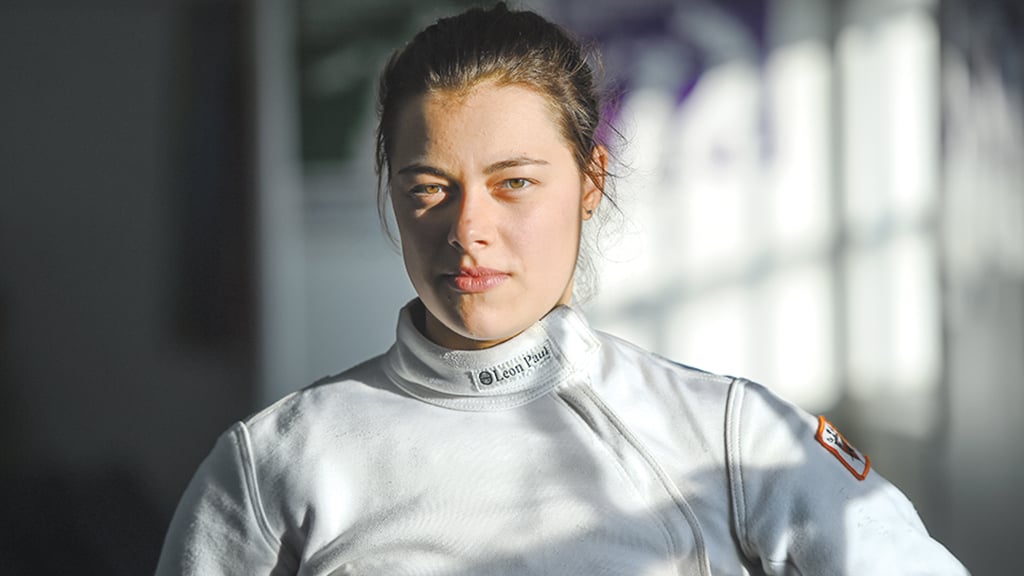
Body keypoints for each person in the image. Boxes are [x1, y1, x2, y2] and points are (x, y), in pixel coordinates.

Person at [155, 3, 969, 575]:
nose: (468, 229)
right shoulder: (272, 464)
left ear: (589, 181)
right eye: (428, 187)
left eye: (513, 183)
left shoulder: (724, 434)